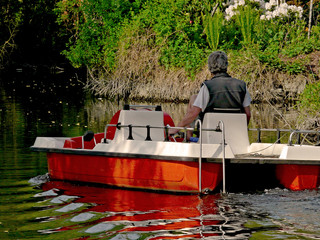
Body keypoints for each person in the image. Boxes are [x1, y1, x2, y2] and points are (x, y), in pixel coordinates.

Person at [169, 51, 251, 137]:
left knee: (193, 98)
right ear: (226, 65)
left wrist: (175, 128)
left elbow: (193, 113)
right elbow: (248, 114)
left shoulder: (208, 86)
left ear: (210, 67)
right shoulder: (242, 85)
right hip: (235, 132)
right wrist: (242, 128)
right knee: (194, 97)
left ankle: (189, 138)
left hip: (211, 131)